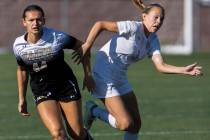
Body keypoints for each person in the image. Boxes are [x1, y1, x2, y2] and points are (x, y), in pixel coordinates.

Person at [72, 0, 203, 140]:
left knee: (136, 125)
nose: (158, 22)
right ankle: (93, 111)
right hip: (103, 74)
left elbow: (160, 66)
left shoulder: (153, 40)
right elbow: (100, 24)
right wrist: (87, 45)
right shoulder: (132, 27)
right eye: (156, 17)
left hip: (120, 77)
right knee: (125, 123)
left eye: (161, 19)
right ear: (144, 17)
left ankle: (94, 111)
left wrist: (183, 70)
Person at [13, 4, 94, 140]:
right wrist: (22, 98)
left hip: (65, 85)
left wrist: (88, 75)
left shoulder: (57, 37)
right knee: (58, 134)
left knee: (77, 134)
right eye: (31, 20)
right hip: (41, 88)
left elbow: (83, 46)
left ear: (44, 21)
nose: (35, 23)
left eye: (39, 19)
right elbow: (21, 70)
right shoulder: (18, 45)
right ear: (24, 22)